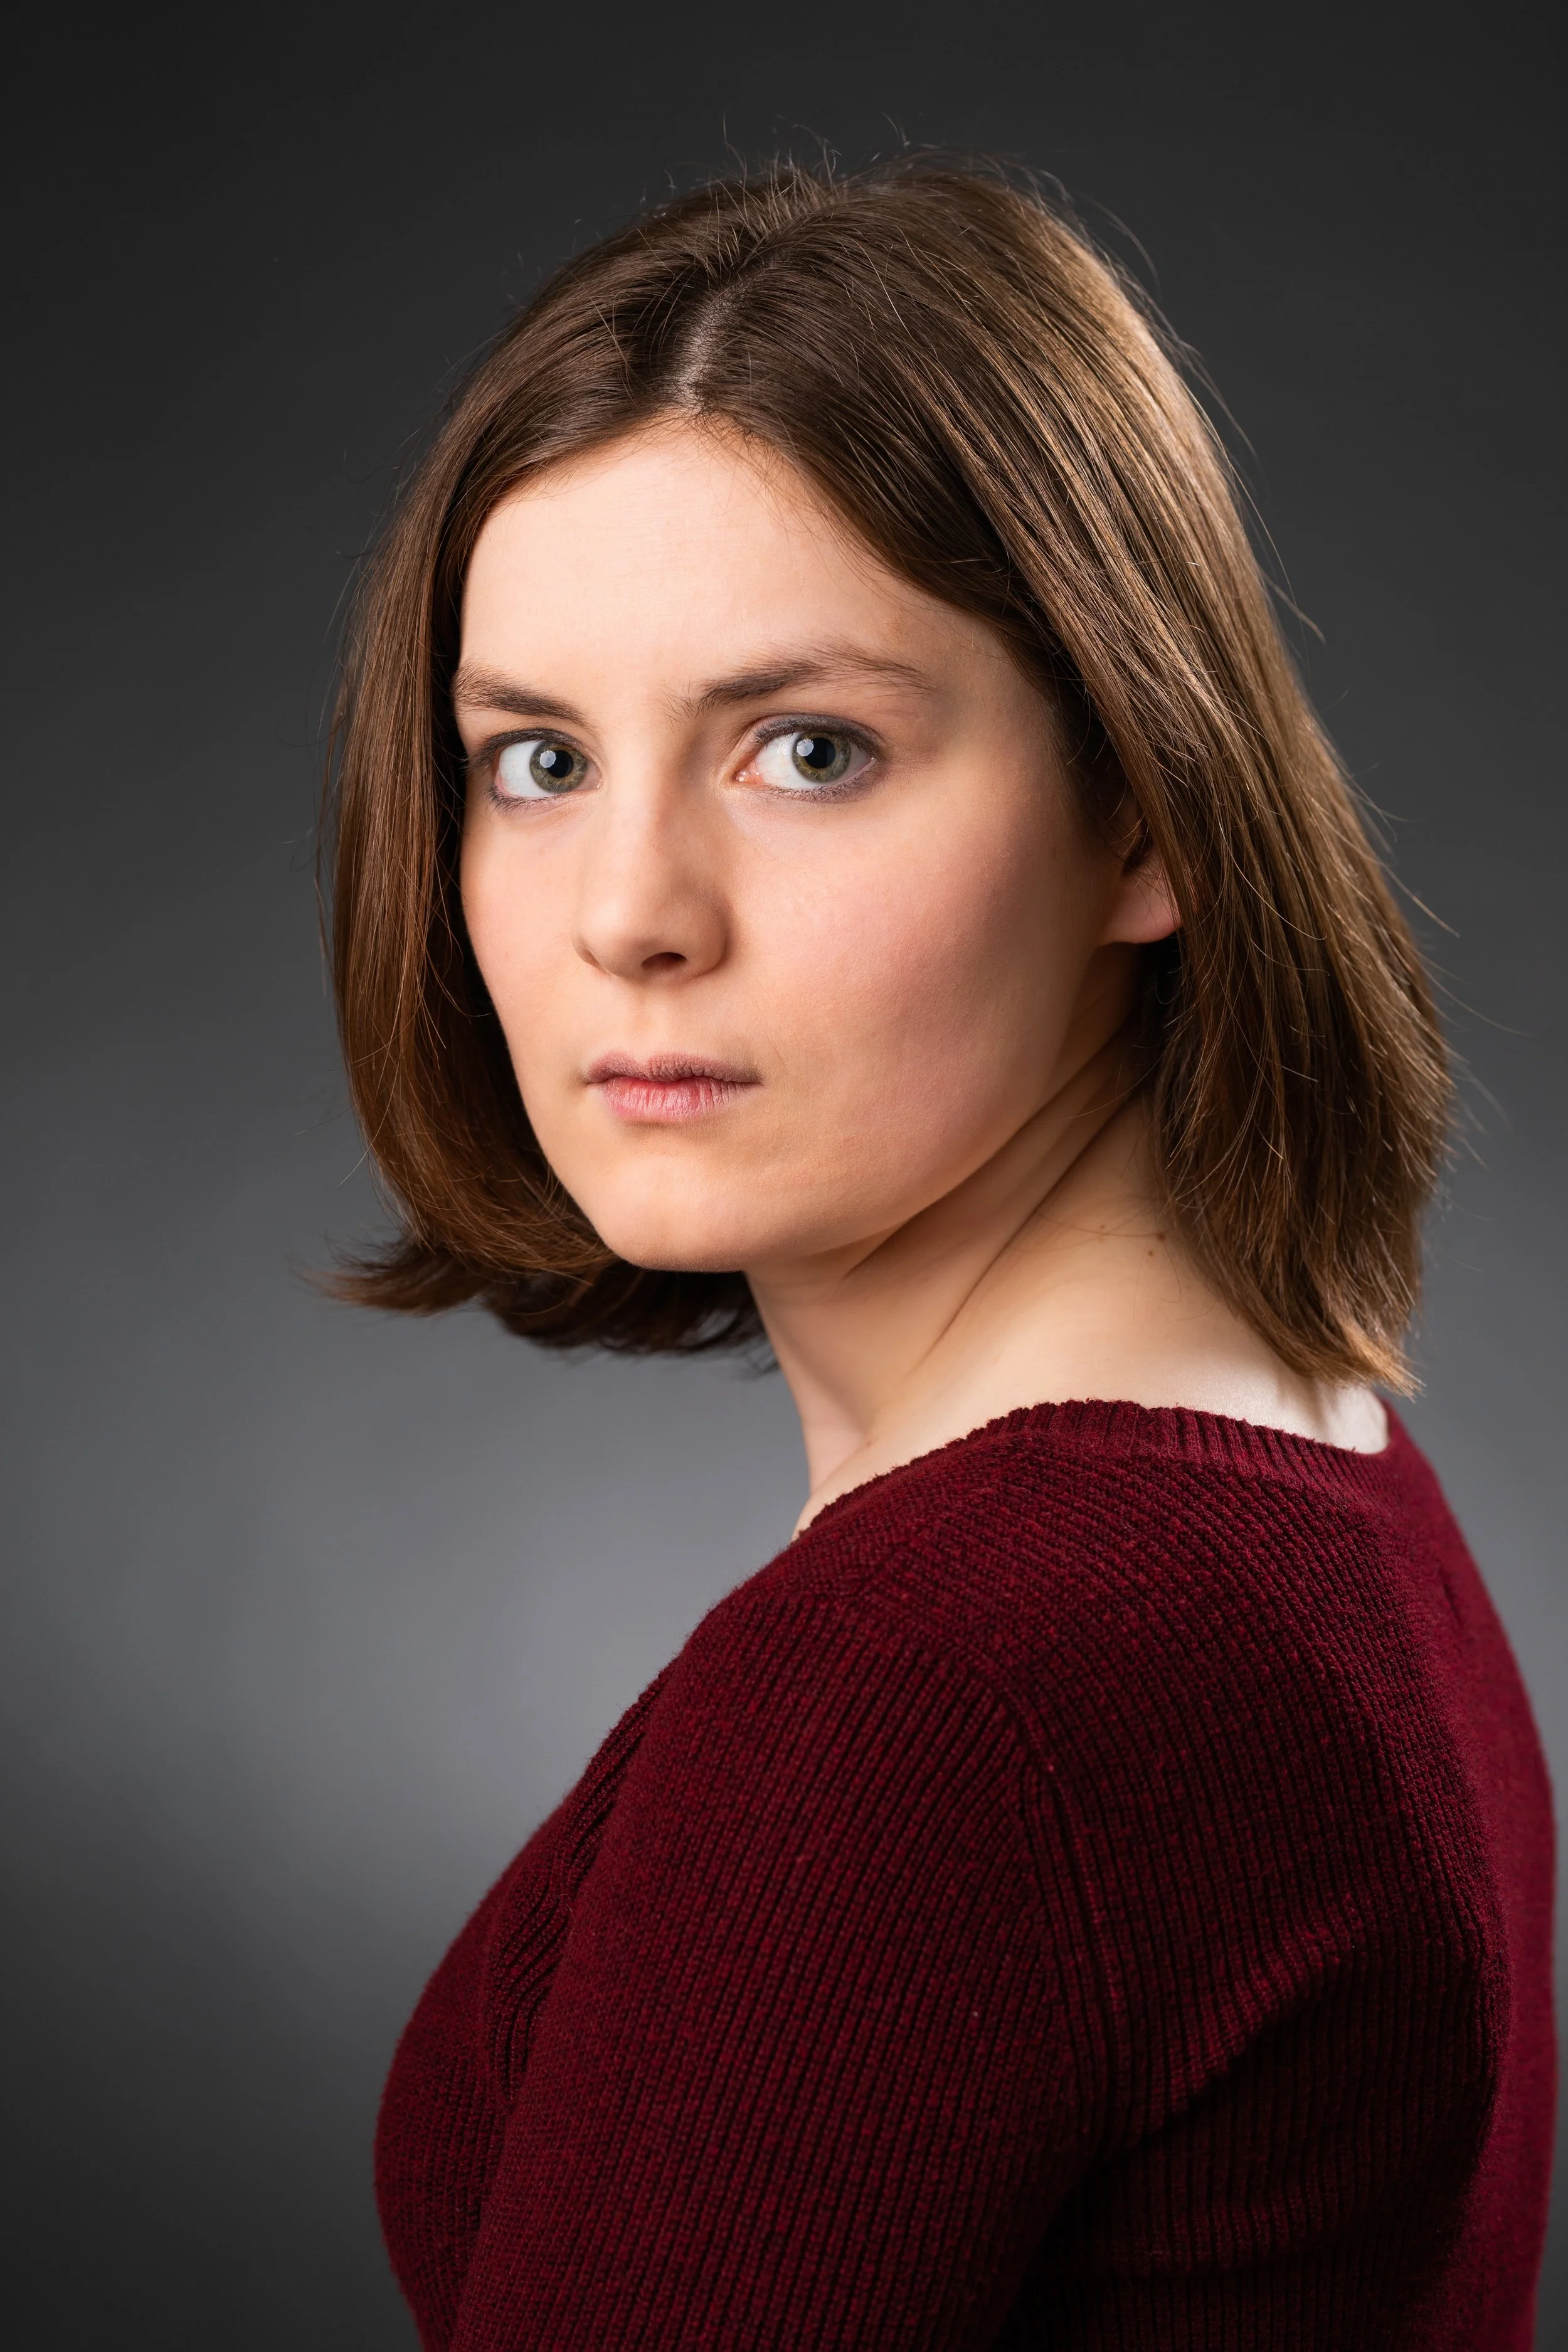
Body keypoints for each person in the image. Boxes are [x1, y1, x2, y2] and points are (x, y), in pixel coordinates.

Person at [324, 161, 1555, 2349]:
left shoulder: (948, 1677)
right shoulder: (1313, 1485)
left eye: (807, 751)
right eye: (536, 758)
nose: (630, 911)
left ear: (1146, 807)